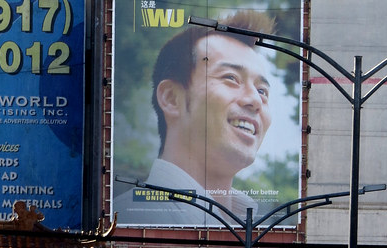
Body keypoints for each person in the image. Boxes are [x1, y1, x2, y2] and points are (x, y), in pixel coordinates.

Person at [114, 10, 276, 226]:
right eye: (231, 78)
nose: (255, 100)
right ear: (172, 98)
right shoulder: (127, 218)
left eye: (262, 90)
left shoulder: (260, 227)